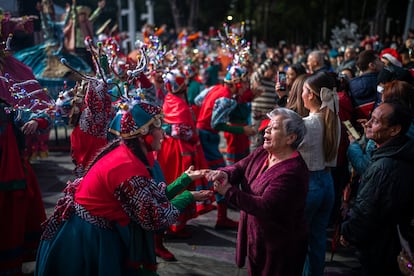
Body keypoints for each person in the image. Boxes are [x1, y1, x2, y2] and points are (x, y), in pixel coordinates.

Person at [35, 99, 213, 275]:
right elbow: (154, 218)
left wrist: (184, 180)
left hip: (93, 230)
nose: (164, 134)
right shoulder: (128, 168)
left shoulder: (125, 152)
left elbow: (147, 197)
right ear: (145, 136)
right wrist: (188, 196)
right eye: (159, 129)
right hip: (87, 238)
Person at [206, 107, 309, 275]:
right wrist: (224, 173)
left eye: (274, 127)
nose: (267, 129)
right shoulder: (263, 152)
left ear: (291, 138)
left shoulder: (293, 172)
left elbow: (265, 206)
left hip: (279, 247)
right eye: (268, 125)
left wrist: (229, 192)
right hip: (257, 241)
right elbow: (240, 167)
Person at [340, 101, 414, 275]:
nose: (368, 124)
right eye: (370, 118)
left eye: (376, 121)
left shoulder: (384, 167)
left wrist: (347, 233)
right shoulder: (398, 152)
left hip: (381, 248)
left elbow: (366, 211)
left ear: (394, 130)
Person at [156, 70, 214, 261]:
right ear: (182, 87)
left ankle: (174, 223)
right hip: (181, 151)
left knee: (173, 180)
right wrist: (194, 137)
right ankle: (176, 225)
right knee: (182, 181)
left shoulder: (169, 99)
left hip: (168, 149)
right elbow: (183, 131)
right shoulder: (180, 103)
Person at [196, 65, 256, 230]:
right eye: (244, 83)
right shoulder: (227, 97)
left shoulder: (216, 88)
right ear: (236, 83)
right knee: (220, 174)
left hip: (203, 134)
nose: (246, 86)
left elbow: (198, 100)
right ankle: (221, 218)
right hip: (208, 136)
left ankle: (221, 212)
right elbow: (217, 123)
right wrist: (242, 129)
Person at [0, 97, 51, 275]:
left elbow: (45, 115)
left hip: (12, 177)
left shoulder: (7, 111)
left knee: (12, 225)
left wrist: (35, 121)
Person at [299, 72, 341, 275]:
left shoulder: (306, 124)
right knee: (317, 240)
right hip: (327, 183)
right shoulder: (334, 120)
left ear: (313, 96)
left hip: (309, 185)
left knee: (300, 242)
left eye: (304, 90)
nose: (301, 94)